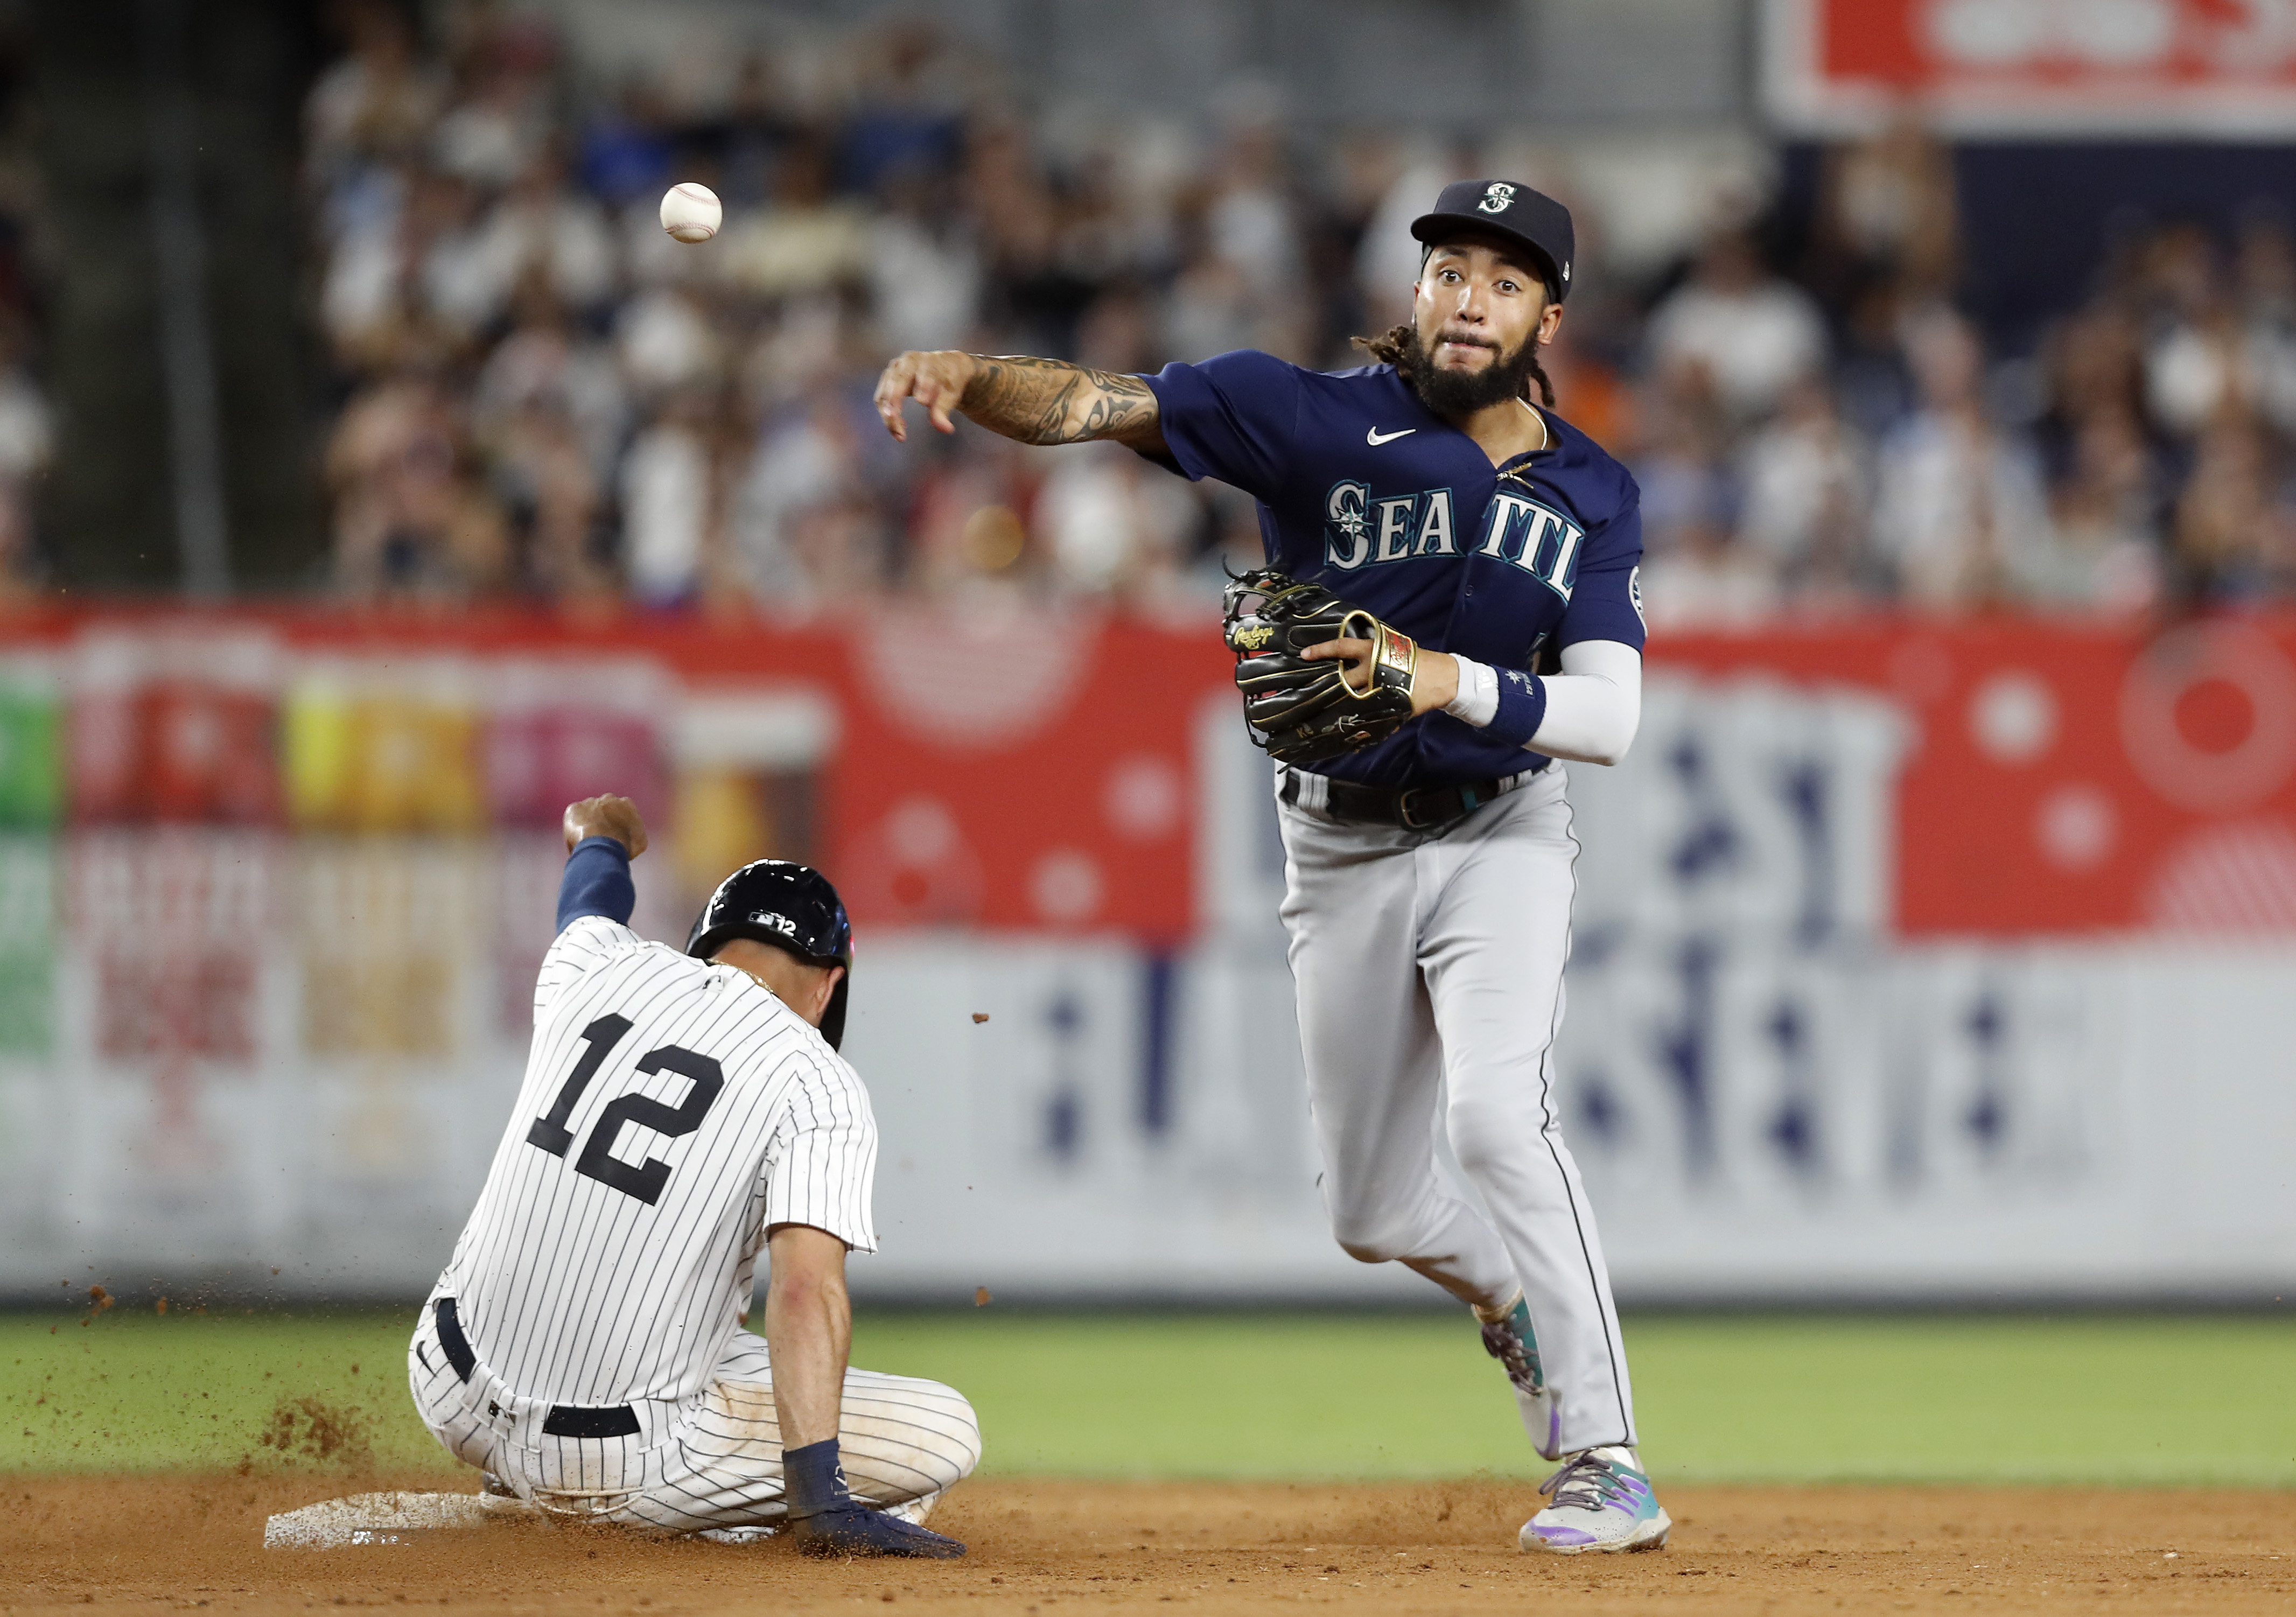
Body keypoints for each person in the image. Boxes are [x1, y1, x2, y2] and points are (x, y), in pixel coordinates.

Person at [874, 179, 1666, 1556]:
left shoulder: (1591, 489)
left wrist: (1444, 678)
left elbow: (1606, 717)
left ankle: (1603, 1455)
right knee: (1367, 1209)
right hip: (1339, 840)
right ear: (1412, 293)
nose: (1468, 295)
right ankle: (1510, 1295)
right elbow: (1093, 403)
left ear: (1547, 313)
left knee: (1494, 1119)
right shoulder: (1302, 415)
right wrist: (968, 373)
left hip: (1501, 832)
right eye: (1446, 269)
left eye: (1503, 277)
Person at [408, 793, 978, 1555]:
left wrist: (601, 834)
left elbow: (592, 895)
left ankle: (512, 1484)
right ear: (828, 985)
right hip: (607, 1464)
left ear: (706, 942)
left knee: (708, 1319)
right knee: (945, 1433)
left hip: (445, 1381)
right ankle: (729, 1526)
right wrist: (820, 1500)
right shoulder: (816, 1078)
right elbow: (806, 1290)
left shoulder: (600, 965)